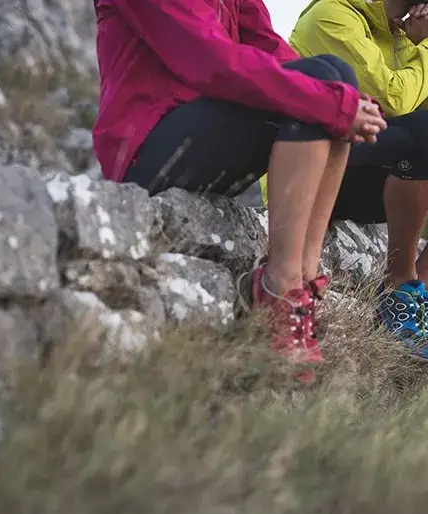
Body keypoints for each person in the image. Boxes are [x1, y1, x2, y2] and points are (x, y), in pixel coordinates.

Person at [91, 0, 387, 383]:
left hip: (203, 136)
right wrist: (327, 99)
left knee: (335, 77)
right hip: (145, 152)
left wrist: (346, 99)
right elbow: (209, 60)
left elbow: (267, 46)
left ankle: (301, 284)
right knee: (321, 94)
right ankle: (276, 289)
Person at [261, 0, 428, 361]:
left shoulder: (407, 36)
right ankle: (398, 283)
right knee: (423, 129)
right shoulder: (332, 16)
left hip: (375, 177)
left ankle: (419, 293)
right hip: (315, 176)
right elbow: (393, 102)